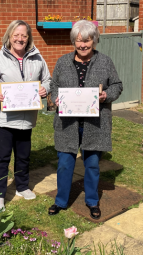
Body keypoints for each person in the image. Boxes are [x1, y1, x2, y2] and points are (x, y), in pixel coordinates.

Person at [48, 20, 122, 219]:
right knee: (64, 163)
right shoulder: (63, 62)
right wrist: (55, 97)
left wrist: (106, 95)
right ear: (73, 41)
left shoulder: (105, 62)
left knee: (92, 165)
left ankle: (92, 201)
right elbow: (53, 85)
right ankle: (61, 201)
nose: (83, 45)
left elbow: (117, 85)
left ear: (94, 41)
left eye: (87, 41)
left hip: (94, 124)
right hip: (67, 124)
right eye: (79, 41)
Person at [0, 20, 51, 210]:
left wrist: (45, 88)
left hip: (26, 119)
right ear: (10, 36)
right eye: (16, 35)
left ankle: (21, 187)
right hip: (4, 119)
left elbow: (47, 79)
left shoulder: (37, 58)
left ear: (28, 38)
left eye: (24, 35)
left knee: (23, 156)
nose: (20, 39)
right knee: (1, 158)